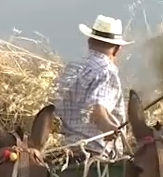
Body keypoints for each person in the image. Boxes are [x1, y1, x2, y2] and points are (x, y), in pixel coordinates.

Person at [54, 14, 133, 159]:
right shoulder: (107, 72)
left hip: (63, 151)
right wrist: (109, 127)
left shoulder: (72, 66)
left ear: (89, 41)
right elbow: (97, 110)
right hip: (95, 153)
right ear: (117, 49)